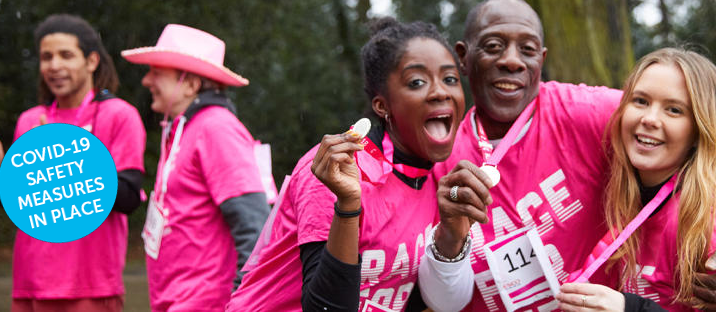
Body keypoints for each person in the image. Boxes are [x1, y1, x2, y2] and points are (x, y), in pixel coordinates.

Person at [418, 1, 716, 311]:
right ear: (464, 57)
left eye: (528, 49)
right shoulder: (441, 159)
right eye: (493, 46)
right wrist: (450, 237)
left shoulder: (587, 112)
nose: (511, 61)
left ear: (541, 59)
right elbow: (442, 302)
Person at [227, 17, 465, 311]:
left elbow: (405, 291)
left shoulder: (442, 179)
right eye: (417, 82)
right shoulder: (335, 171)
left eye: (450, 79)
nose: (441, 91)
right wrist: (348, 206)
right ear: (383, 105)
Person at [121, 24, 270, 311]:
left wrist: (241, 304)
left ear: (190, 84)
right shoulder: (183, 129)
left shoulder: (216, 128)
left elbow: (254, 226)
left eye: (156, 72)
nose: (146, 81)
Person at [555, 48, 716, 311]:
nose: (649, 119)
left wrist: (630, 308)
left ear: (699, 129)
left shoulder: (707, 217)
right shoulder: (622, 193)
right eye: (640, 101)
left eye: (674, 110)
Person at [11, 14, 145, 312]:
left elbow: (128, 198)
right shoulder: (29, 121)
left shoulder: (118, 115)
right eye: (47, 57)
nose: (54, 65)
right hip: (29, 283)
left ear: (92, 61)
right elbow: (25, 203)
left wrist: (65, 157)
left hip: (89, 286)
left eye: (66, 55)